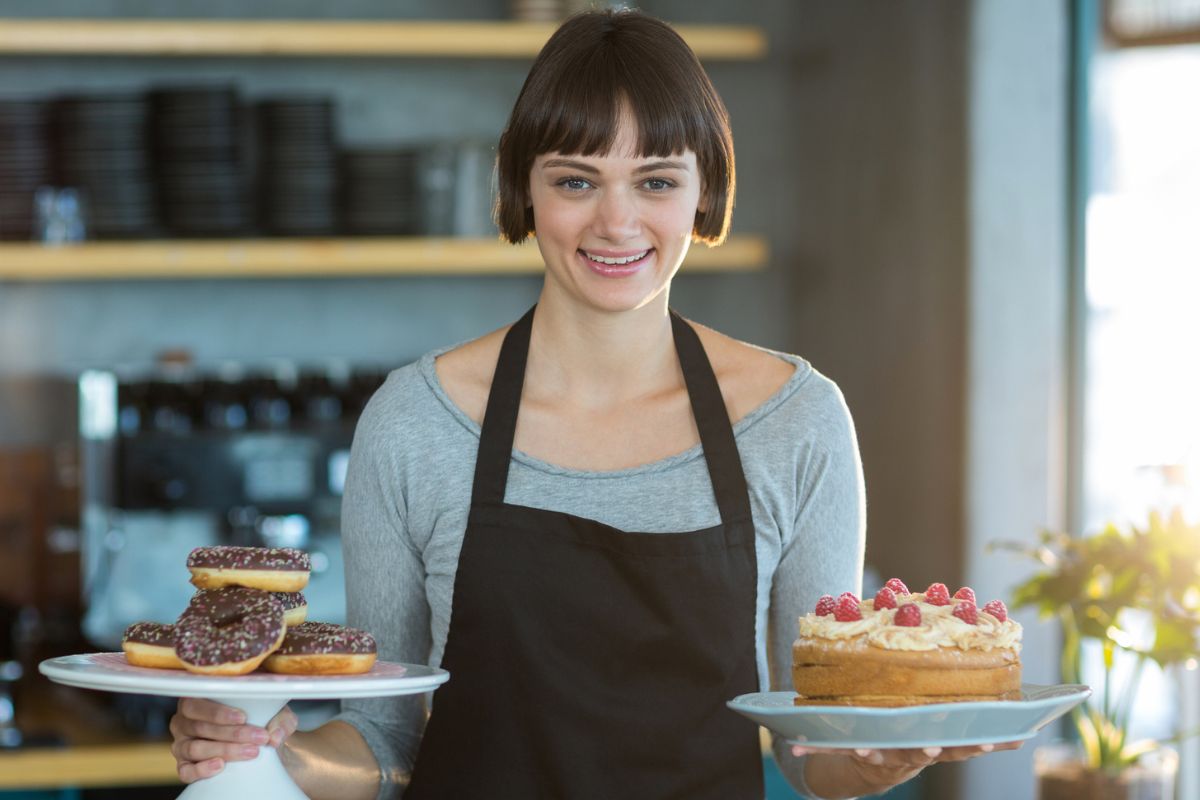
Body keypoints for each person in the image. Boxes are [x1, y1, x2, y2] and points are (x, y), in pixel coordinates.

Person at [168, 9, 1018, 799]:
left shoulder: (797, 420)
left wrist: (888, 756)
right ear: (523, 194)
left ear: (705, 194)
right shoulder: (414, 421)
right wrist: (272, 756)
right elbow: (385, 742)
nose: (617, 222)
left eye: (655, 180)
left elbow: (811, 746)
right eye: (576, 180)